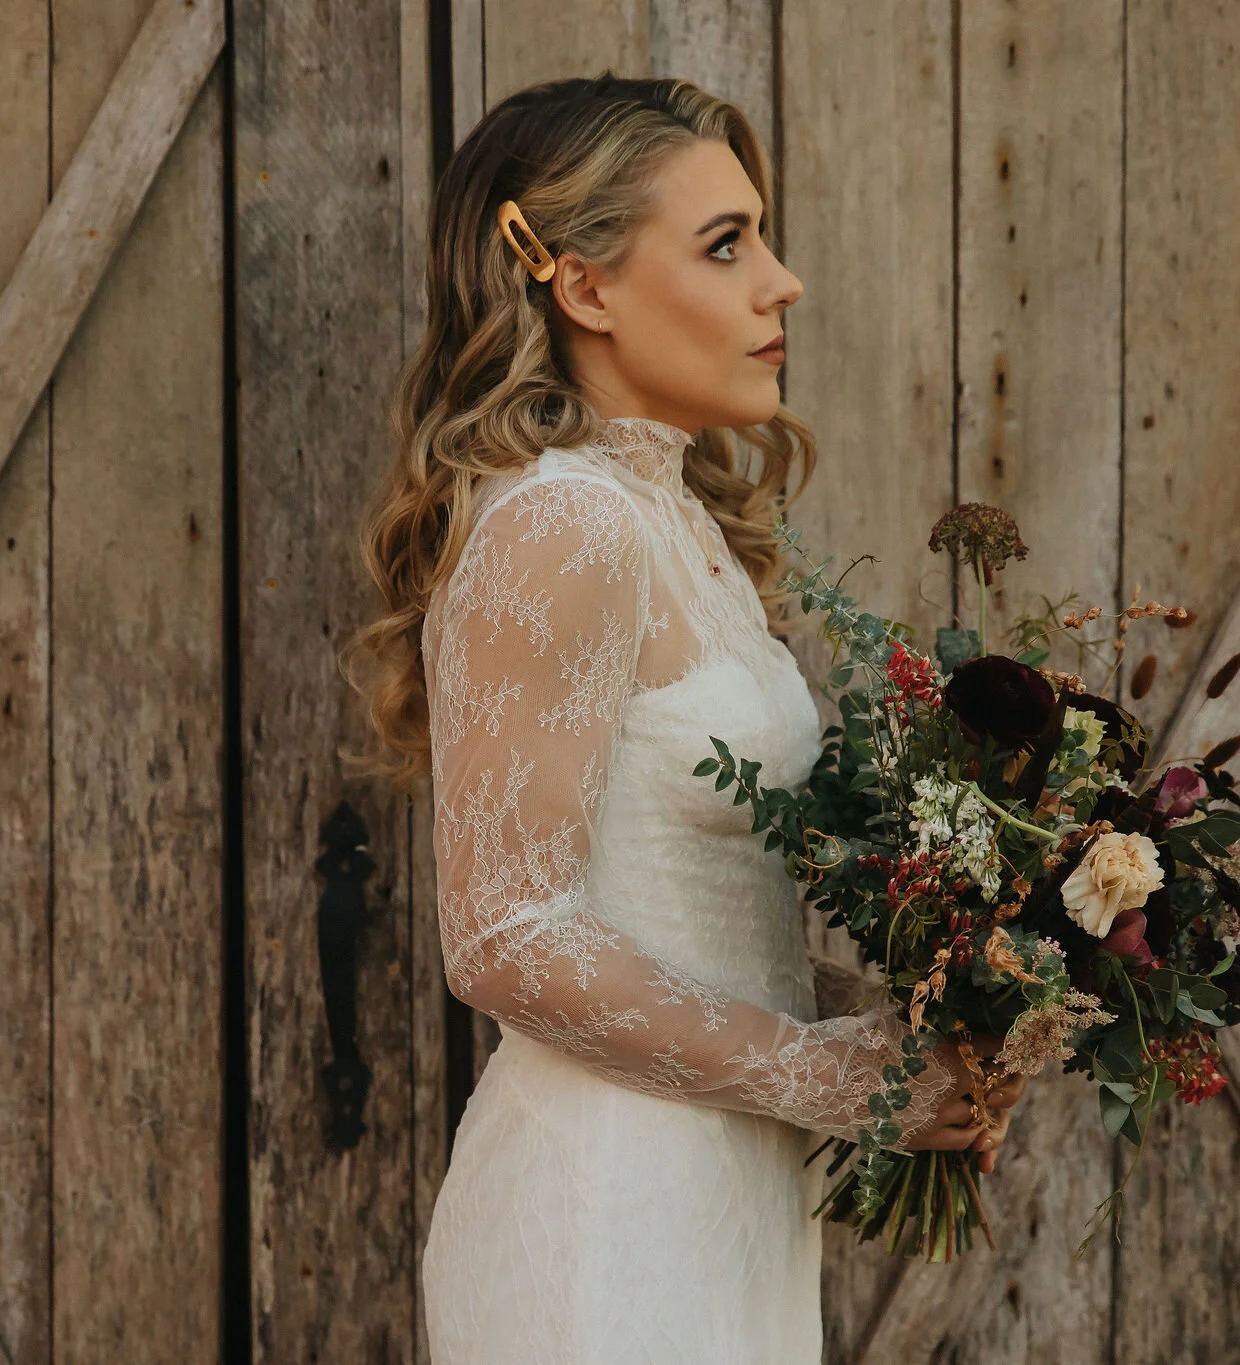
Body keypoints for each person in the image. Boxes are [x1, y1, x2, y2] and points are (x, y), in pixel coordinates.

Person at [352, 75, 1027, 1361]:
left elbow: (700, 927)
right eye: (725, 245)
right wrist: (840, 1079)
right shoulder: (560, 523)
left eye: (760, 238)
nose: (782, 283)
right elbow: (503, 936)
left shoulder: (678, 528)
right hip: (608, 1219)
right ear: (581, 286)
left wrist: (927, 1038)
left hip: (724, 1205)